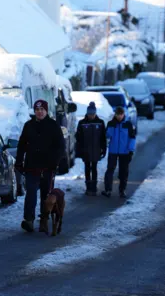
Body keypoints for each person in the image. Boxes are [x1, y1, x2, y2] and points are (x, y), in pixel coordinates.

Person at [15, 99, 66, 233]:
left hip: (48, 167)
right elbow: (21, 146)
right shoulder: (28, 126)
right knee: (31, 193)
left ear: (46, 111)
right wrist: (19, 162)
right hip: (32, 166)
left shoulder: (53, 126)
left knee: (46, 195)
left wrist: (55, 162)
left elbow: (61, 147)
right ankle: (29, 220)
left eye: (42, 109)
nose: (39, 112)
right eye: (37, 110)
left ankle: (44, 220)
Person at [103, 106, 136, 198]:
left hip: (124, 152)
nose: (119, 116)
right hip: (113, 151)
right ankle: (108, 190)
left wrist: (131, 150)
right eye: (117, 114)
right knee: (110, 170)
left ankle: (122, 190)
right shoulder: (111, 124)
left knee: (123, 171)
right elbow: (107, 136)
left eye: (121, 114)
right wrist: (112, 127)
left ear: (123, 114)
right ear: (115, 114)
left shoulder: (128, 124)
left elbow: (132, 138)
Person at [75, 102, 106, 196]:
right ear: (87, 113)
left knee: (95, 168)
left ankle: (94, 187)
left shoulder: (100, 122)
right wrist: (79, 151)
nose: (91, 116)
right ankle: (88, 187)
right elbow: (78, 138)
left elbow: (103, 138)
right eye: (89, 114)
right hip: (86, 150)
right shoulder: (82, 123)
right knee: (87, 168)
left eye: (92, 114)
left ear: (95, 113)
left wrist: (103, 149)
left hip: (96, 150)